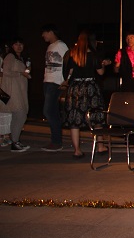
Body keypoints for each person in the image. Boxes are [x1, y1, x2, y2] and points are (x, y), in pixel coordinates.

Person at [62, 31, 111, 158]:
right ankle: (100, 146)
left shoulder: (71, 54)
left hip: (75, 88)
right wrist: (103, 65)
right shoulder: (93, 55)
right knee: (96, 116)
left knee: (75, 119)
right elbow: (100, 73)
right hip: (90, 88)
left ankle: (77, 150)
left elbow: (68, 72)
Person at [40, 24, 69, 152]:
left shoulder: (61, 45)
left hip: (56, 82)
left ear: (51, 32)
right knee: (52, 111)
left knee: (49, 111)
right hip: (48, 81)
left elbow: (69, 62)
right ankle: (55, 140)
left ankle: (56, 141)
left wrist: (66, 80)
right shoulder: (50, 46)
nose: (43, 35)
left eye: (44, 32)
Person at [0, 38, 32, 152]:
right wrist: (20, 73)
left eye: (20, 44)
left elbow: (26, 73)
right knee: (20, 114)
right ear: (12, 46)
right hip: (13, 91)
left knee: (19, 116)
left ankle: (16, 141)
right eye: (16, 44)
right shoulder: (10, 56)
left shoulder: (22, 58)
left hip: (20, 90)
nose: (19, 46)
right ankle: (15, 142)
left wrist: (27, 71)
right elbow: (6, 71)